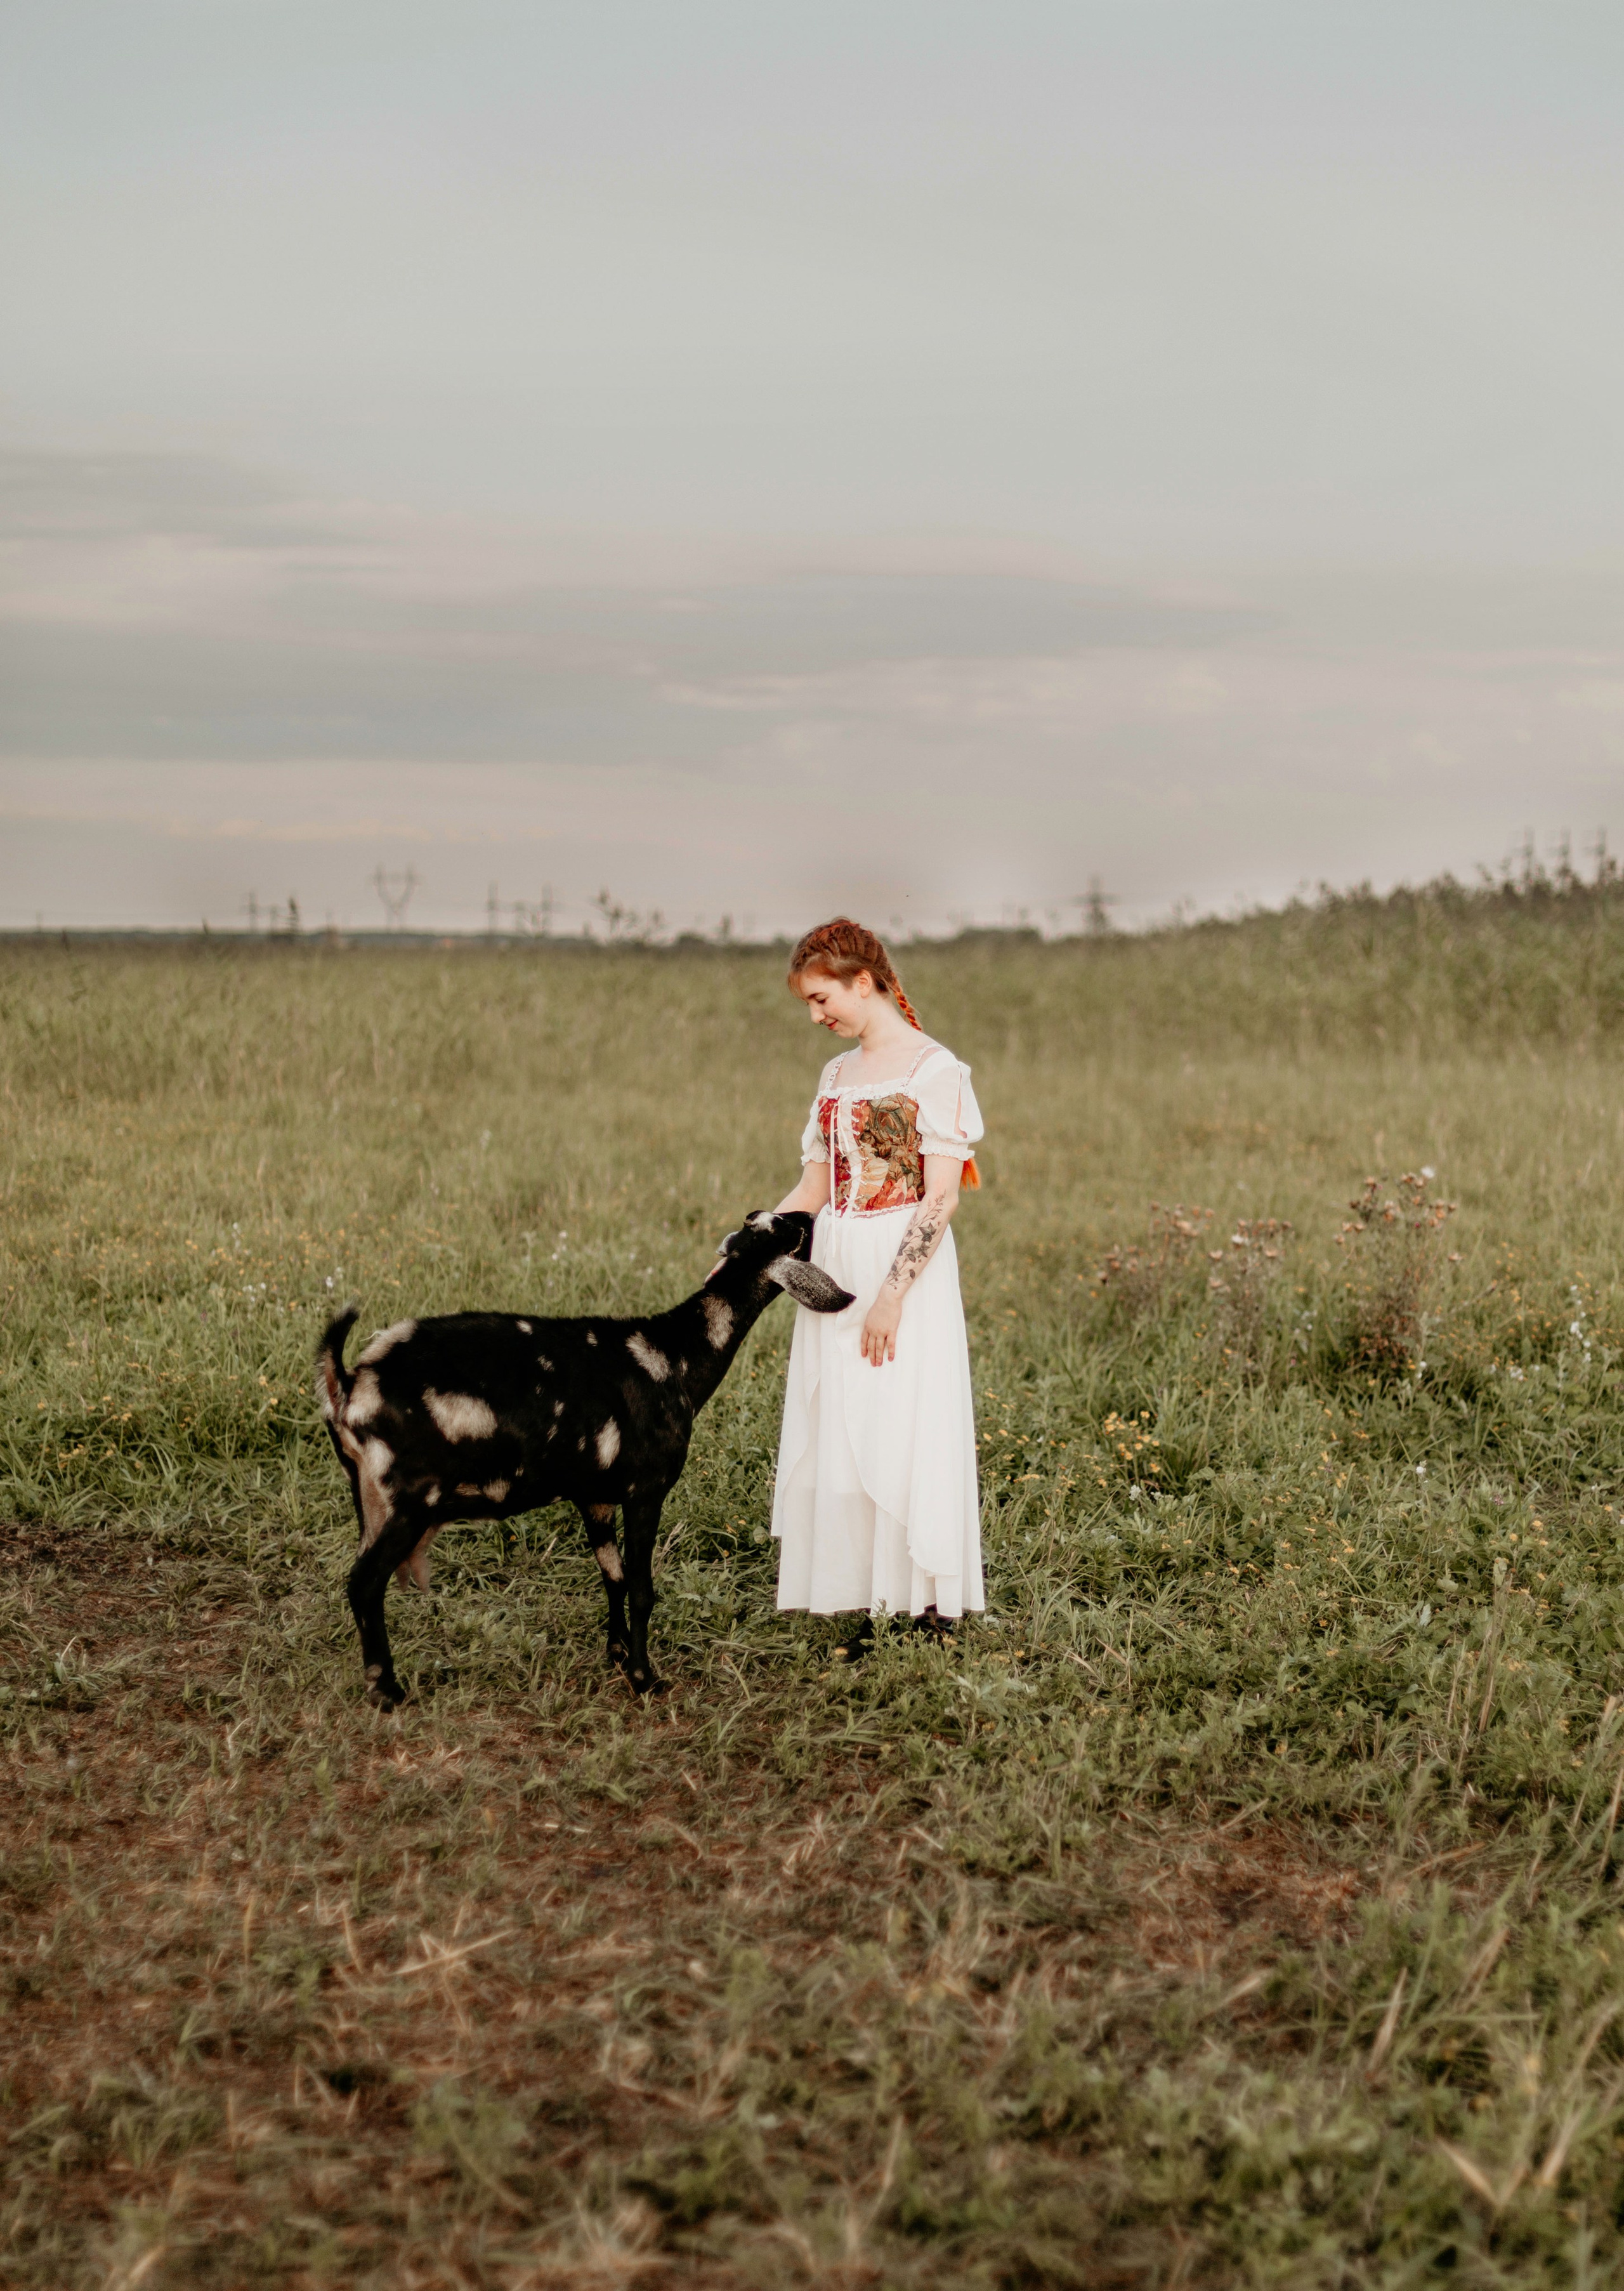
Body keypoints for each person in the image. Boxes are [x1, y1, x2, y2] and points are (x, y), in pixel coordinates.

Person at [770, 917, 985, 1658]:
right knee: (846, 1421)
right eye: (809, 1002)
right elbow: (816, 1181)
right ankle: (868, 1592)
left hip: (905, 1268)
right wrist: (755, 1240)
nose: (816, 1015)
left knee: (905, 1418)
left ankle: (929, 1602)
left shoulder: (935, 1070)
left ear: (865, 982)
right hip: (838, 1260)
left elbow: (941, 1196)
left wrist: (893, 1293)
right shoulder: (834, 1075)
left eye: (823, 997)